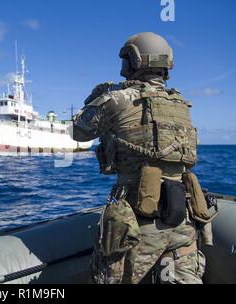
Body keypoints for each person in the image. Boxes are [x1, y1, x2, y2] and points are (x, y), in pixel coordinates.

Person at [72, 32, 213, 284]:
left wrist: (95, 97)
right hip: (183, 216)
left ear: (134, 61)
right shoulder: (180, 104)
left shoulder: (115, 98)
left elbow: (78, 132)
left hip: (137, 219)